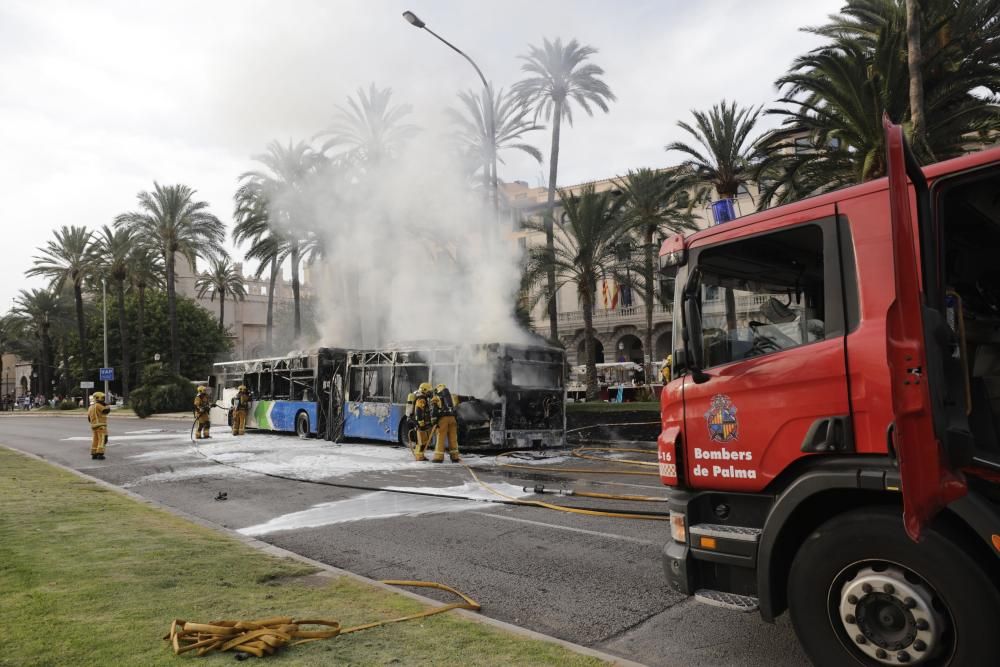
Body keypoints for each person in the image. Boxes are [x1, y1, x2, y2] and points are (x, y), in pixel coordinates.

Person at [430, 382, 461, 463]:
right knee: (453, 438)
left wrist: (434, 422)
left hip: (443, 420)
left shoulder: (436, 398)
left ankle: (438, 457)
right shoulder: (452, 397)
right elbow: (458, 401)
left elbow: (434, 411)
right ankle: (455, 457)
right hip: (452, 419)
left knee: (441, 438)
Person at [412, 382, 434, 461]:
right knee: (422, 441)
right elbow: (419, 411)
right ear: (424, 390)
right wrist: (421, 422)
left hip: (420, 423)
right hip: (420, 423)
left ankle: (420, 456)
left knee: (421, 441)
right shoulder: (421, 399)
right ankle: (419, 456)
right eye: (429, 391)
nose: (430, 393)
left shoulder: (422, 398)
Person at [87, 391, 111, 460]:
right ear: (99, 398)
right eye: (103, 398)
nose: (103, 399)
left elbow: (89, 418)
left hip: (94, 426)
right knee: (103, 439)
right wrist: (107, 405)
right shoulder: (98, 405)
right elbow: (106, 411)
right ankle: (100, 454)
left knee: (95, 439)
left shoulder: (90, 407)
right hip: (101, 425)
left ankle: (94, 453)